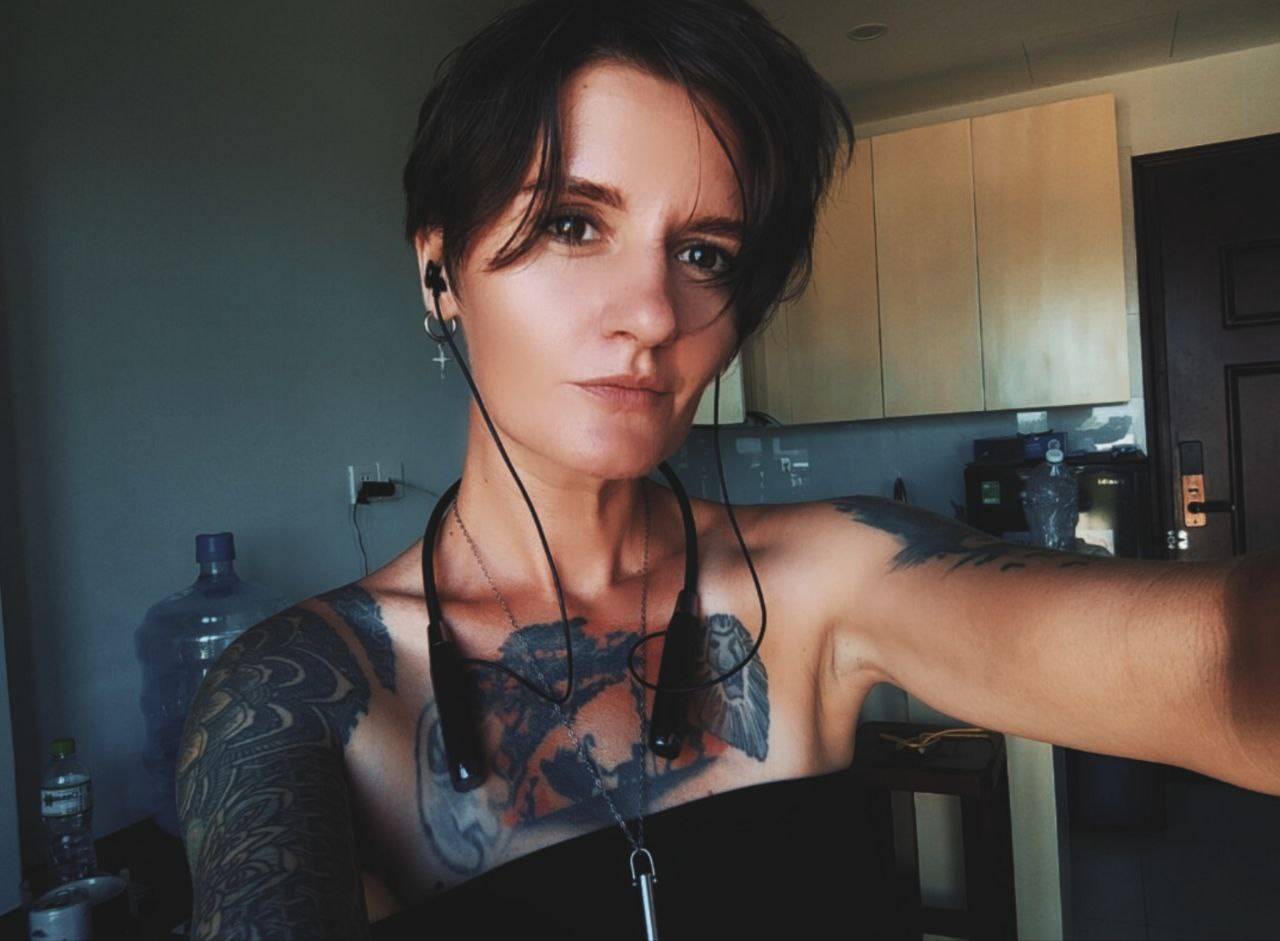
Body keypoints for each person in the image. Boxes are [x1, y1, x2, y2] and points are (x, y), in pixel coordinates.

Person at [173, 0, 1280, 937]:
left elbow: (1225, 666)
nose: (653, 313)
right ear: (439, 271)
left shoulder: (829, 579)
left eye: (704, 253)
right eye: (573, 224)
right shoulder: (305, 691)